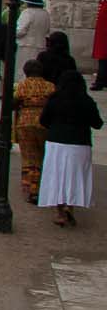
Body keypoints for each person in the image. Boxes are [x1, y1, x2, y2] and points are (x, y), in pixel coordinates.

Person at [38, 71, 104, 228]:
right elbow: (97, 123)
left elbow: (43, 120)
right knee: (74, 176)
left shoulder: (54, 100)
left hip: (57, 142)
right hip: (79, 143)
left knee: (57, 175)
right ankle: (70, 206)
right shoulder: (86, 101)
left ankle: (59, 210)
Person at [14, 58, 57, 205]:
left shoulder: (22, 86)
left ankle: (31, 187)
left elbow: (14, 102)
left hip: (25, 123)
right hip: (45, 124)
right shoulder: (50, 86)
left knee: (29, 157)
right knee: (43, 155)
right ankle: (43, 185)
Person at [94, 0, 107, 91]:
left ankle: (100, 81)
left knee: (103, 60)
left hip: (105, 37)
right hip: (102, 36)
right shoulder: (103, 1)